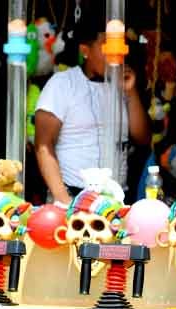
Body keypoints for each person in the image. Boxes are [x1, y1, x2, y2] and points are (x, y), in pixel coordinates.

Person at [34, 14, 149, 205]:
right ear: (85, 50)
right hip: (73, 194)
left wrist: (131, 92)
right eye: (106, 44)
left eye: (119, 44)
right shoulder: (63, 83)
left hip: (116, 197)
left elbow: (142, 138)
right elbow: (43, 146)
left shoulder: (122, 85)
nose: (115, 51)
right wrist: (64, 200)